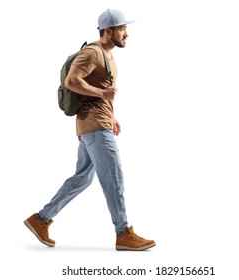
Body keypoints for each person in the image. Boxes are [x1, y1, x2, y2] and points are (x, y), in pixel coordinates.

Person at [24, 9, 155, 251]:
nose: (127, 33)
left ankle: (40, 220)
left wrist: (112, 115)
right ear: (109, 31)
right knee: (114, 178)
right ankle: (123, 232)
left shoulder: (106, 54)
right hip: (95, 127)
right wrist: (102, 96)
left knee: (82, 179)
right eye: (122, 29)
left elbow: (100, 88)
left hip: (95, 125)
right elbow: (71, 81)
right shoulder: (93, 52)